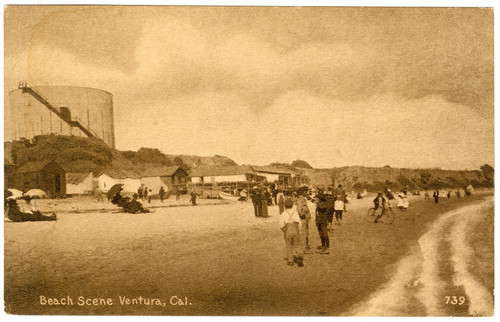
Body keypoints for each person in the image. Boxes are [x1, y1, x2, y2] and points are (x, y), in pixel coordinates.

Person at [279, 198, 303, 267]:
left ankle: (290, 261)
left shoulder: (283, 214)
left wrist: (284, 230)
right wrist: (300, 231)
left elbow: (281, 224)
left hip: (288, 230)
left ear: (285, 206)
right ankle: (300, 260)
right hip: (295, 229)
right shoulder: (295, 213)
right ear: (292, 205)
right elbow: (300, 223)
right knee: (297, 245)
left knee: (289, 245)